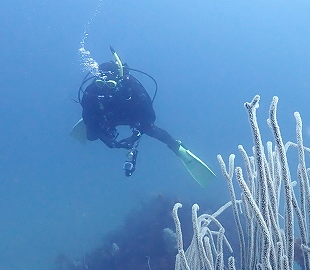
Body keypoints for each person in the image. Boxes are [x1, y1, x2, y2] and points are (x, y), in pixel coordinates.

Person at [72, 47, 215, 184]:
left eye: (110, 84)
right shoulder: (92, 91)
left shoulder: (132, 87)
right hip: (106, 116)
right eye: (100, 83)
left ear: (119, 81)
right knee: (91, 136)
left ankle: (177, 148)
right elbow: (87, 113)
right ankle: (103, 128)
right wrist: (105, 138)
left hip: (132, 116)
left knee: (151, 129)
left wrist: (136, 136)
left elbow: (149, 117)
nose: (105, 89)